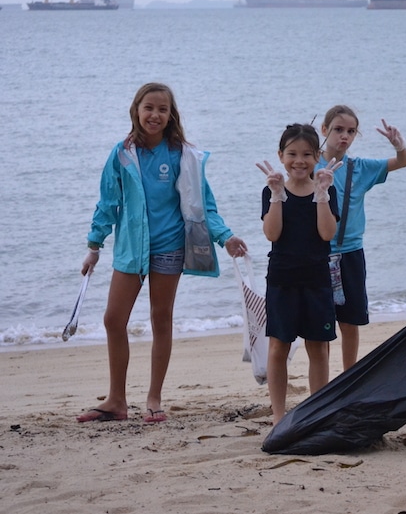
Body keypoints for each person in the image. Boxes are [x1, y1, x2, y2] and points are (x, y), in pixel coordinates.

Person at [77, 82, 247, 424]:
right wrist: (94, 247)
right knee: (113, 319)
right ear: (136, 110)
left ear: (171, 116)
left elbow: (204, 206)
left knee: (161, 318)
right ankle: (116, 400)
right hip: (130, 249)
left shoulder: (183, 155)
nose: (155, 115)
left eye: (162, 109)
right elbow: (108, 203)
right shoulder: (122, 154)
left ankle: (154, 398)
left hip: (168, 246)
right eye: (149, 107)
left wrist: (225, 237)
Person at [256, 123, 343, 425]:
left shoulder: (326, 189)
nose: (299, 161)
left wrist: (322, 194)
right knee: (279, 345)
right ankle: (279, 415)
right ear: (281, 155)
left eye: (307, 154)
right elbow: (272, 233)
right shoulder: (272, 190)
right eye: (292, 153)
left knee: (318, 346)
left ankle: (316, 413)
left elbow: (327, 233)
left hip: (317, 277)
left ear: (318, 156)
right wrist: (277, 195)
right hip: (282, 278)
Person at [317, 105, 406, 370]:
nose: (344, 136)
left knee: (350, 321)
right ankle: (321, 380)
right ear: (324, 130)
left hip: (351, 253)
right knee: (321, 323)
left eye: (350, 131)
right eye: (337, 130)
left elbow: (402, 162)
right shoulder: (312, 165)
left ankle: (348, 376)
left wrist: (398, 145)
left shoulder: (361, 167)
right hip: (317, 253)